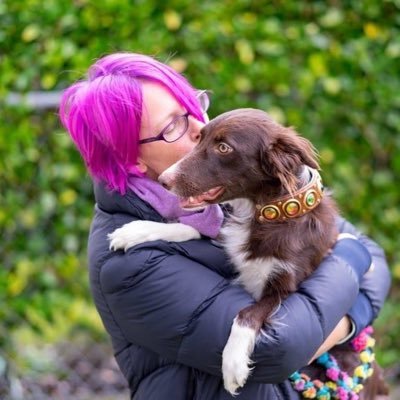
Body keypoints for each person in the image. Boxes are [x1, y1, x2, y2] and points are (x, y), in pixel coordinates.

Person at [59, 52, 391, 399]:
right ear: (133, 159)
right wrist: (350, 268)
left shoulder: (235, 188)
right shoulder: (128, 261)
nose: (198, 125)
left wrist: (351, 294)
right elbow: (276, 350)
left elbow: (372, 256)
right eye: (172, 125)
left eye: (192, 104)